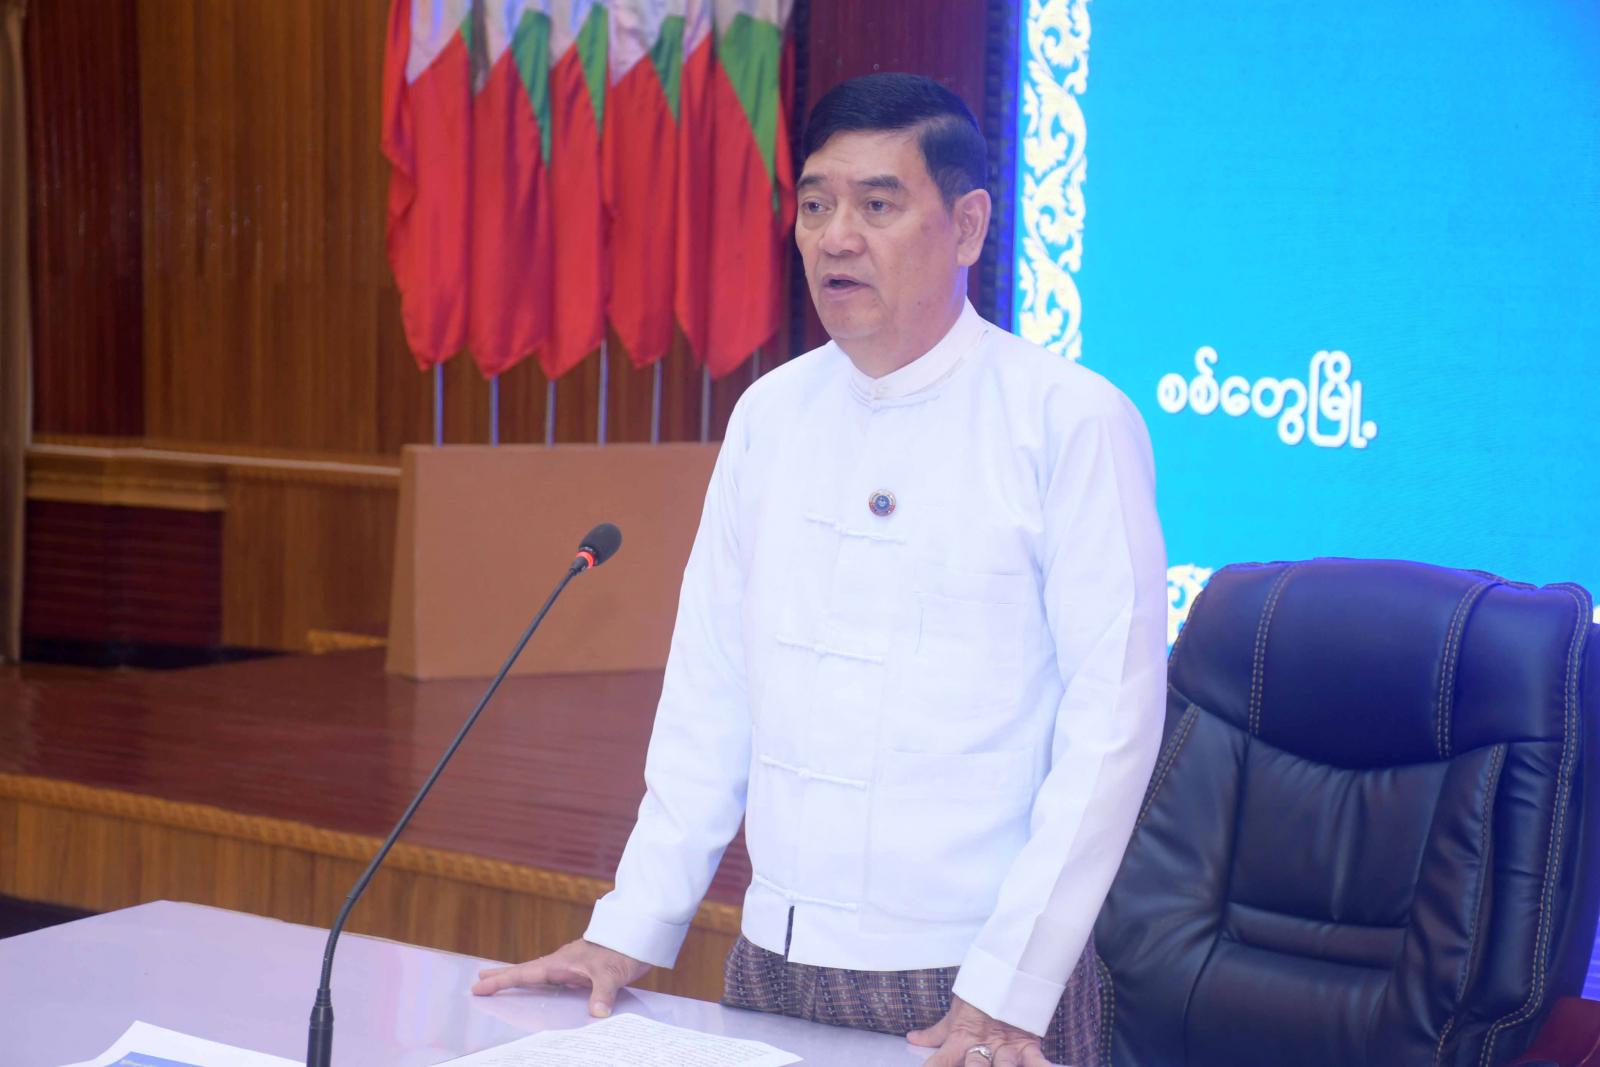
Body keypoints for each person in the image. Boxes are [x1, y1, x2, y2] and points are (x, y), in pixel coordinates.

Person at [473, 72, 1167, 1067]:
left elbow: (1111, 728)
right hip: (772, 960)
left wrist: (1011, 983)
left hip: (974, 983)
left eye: (877, 205)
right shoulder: (771, 413)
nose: (836, 237)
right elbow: (711, 693)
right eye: (814, 205)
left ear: (968, 226)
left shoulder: (1068, 421)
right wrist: (628, 926)